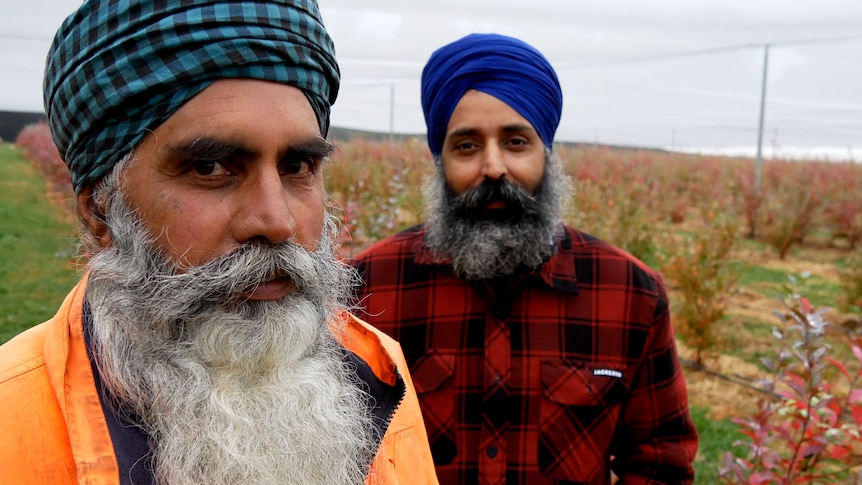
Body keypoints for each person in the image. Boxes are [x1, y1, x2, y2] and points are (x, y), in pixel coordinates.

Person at [0, 1, 439, 484]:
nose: (276, 222)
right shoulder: (11, 419)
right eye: (210, 168)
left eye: (297, 167)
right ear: (101, 210)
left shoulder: (376, 372)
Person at [351, 33, 698, 484]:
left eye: (516, 142)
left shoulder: (630, 293)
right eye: (467, 146)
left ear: (546, 153)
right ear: (440, 161)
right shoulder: (367, 287)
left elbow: (660, 465)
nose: (493, 167)